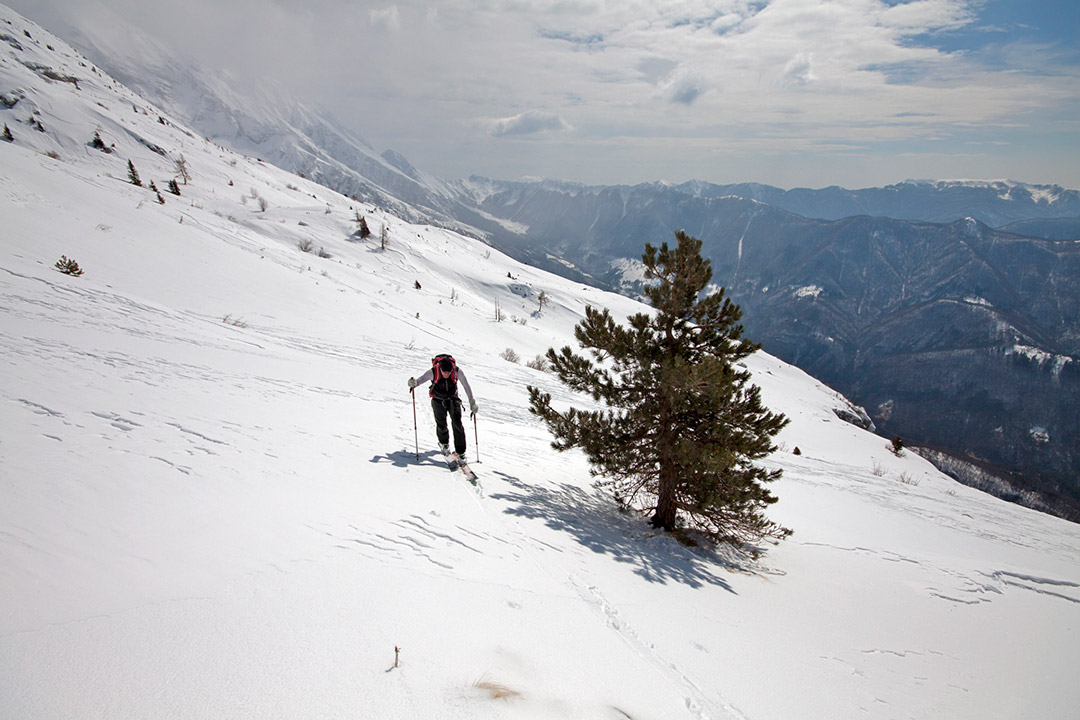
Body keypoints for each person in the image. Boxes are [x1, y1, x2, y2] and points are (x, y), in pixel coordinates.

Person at [409, 355, 478, 457]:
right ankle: (444, 443)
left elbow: (466, 386)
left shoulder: (457, 371)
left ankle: (461, 452)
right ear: (440, 368)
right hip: (437, 399)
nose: (446, 374)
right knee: (441, 424)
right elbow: (421, 380)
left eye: (448, 372)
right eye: (444, 372)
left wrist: (472, 402)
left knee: (457, 423)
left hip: (453, 398)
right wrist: (414, 383)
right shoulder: (433, 371)